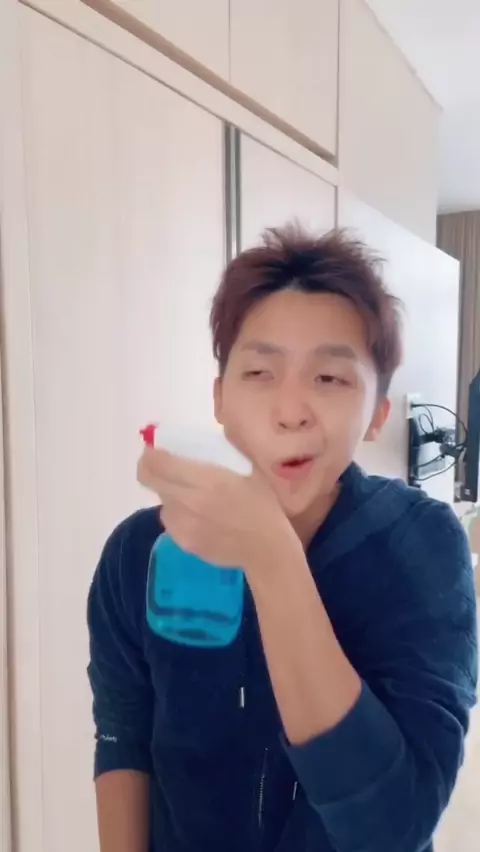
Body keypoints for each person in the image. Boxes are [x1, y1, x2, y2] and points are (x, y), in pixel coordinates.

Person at [87, 226, 478, 852]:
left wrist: (272, 559)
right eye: (260, 372)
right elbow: (123, 739)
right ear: (220, 399)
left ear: (378, 413)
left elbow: (392, 829)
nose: (291, 410)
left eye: (330, 379)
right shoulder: (138, 553)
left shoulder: (421, 546)